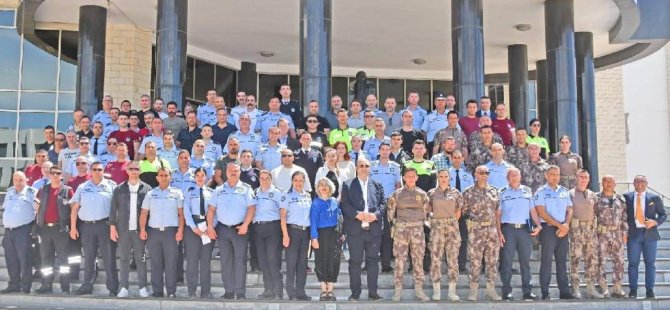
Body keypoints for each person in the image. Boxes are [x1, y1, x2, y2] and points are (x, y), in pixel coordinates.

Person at [206, 163, 256, 300]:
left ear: (240, 172)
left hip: (240, 229)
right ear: (226, 173)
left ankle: (240, 292)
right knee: (226, 261)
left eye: (236, 170)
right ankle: (228, 291)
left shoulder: (246, 189)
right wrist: (210, 226)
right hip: (222, 229)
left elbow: (252, 208)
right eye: (231, 170)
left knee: (240, 261)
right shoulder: (219, 189)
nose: (233, 172)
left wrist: (246, 225)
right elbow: (211, 209)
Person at [69, 162, 118, 296]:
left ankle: (113, 288)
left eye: (99, 169)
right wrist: (73, 227)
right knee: (89, 258)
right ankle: (86, 286)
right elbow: (74, 208)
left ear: (103, 171)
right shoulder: (83, 187)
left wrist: (115, 226)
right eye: (94, 169)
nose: (97, 172)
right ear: (90, 171)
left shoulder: (112, 186)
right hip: (87, 226)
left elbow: (116, 208)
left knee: (109, 258)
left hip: (105, 225)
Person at [340, 157, 385, 301]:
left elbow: (384, 204)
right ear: (356, 168)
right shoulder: (347, 184)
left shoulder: (377, 185)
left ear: (370, 168)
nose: (364, 168)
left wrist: (376, 215)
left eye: (366, 165)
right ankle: (355, 293)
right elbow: (345, 204)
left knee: (372, 261)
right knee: (355, 262)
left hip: (373, 230)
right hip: (355, 231)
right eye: (361, 166)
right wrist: (357, 214)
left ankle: (373, 293)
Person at [139, 167, 185, 298]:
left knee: (171, 263)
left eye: (166, 175)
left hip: (171, 232)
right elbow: (144, 213)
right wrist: (142, 229)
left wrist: (180, 230)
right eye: (161, 175)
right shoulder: (151, 193)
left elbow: (181, 214)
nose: (163, 177)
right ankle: (157, 291)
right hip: (154, 232)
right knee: (155, 263)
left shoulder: (177, 193)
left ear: (170, 177)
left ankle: (171, 292)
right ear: (157, 178)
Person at [497, 167, 542, 301]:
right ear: (508, 178)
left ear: (520, 177)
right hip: (508, 230)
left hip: (524, 230)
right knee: (506, 262)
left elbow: (533, 211)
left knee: (525, 262)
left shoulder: (527, 191)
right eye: (512, 176)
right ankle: (507, 291)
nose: (515, 178)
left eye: (517, 175)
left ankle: (527, 291)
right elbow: (498, 214)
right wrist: (499, 232)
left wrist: (539, 225)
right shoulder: (502, 192)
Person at [387, 168, 430, 301]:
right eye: (408, 176)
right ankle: (398, 290)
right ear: (404, 178)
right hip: (401, 230)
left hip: (417, 230)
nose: (411, 178)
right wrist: (397, 224)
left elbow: (426, 213)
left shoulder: (422, 194)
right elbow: (390, 213)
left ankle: (419, 290)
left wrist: (417, 222)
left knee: (418, 260)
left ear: (417, 178)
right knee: (400, 260)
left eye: (413, 176)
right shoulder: (397, 194)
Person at [109, 161, 151, 298]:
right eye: (131, 168)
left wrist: (147, 229)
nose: (133, 171)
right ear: (127, 170)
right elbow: (113, 209)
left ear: (140, 171)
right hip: (123, 230)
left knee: (141, 259)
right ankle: (124, 288)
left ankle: (142, 287)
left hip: (140, 230)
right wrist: (112, 227)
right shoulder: (119, 189)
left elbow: (150, 211)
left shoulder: (147, 189)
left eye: (136, 169)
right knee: (124, 259)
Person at [462, 165, 502, 301]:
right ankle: (473, 290)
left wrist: (499, 231)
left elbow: (497, 213)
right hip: (476, 230)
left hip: (491, 230)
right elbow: (463, 212)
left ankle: (491, 290)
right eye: (481, 172)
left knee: (492, 261)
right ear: (475, 174)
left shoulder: (495, 191)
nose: (484, 175)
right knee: (475, 261)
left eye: (486, 172)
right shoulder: (468, 192)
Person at [535, 165, 575, 300]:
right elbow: (542, 213)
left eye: (557, 175)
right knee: (546, 261)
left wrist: (566, 225)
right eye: (552, 174)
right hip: (548, 230)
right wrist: (560, 225)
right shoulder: (541, 191)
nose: (555, 177)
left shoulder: (564, 191)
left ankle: (564, 292)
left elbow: (570, 210)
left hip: (563, 230)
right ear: (546, 176)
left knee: (562, 262)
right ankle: (545, 292)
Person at [625, 175, 666, 299]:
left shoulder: (654, 198)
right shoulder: (626, 197)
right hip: (633, 235)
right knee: (633, 263)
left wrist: (655, 222)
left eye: (642, 181)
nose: (640, 184)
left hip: (650, 235)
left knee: (650, 264)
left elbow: (663, 215)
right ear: (633, 183)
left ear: (646, 183)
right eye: (637, 181)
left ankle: (650, 290)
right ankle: (633, 290)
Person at [34, 165, 74, 295]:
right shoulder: (43, 190)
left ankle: (65, 287)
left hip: (60, 229)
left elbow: (73, 209)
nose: (55, 175)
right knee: (45, 258)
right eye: (53, 173)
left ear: (61, 175)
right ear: (49, 175)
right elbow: (37, 208)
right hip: (45, 229)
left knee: (63, 260)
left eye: (58, 173)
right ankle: (46, 285)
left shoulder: (67, 190)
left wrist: (72, 227)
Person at [427, 169, 464, 301]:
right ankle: (436, 291)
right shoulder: (431, 193)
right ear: (437, 178)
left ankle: (451, 291)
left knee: (453, 259)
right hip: (437, 227)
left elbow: (459, 210)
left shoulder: (455, 193)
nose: (443, 178)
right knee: (436, 259)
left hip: (452, 227)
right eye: (441, 176)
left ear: (449, 178)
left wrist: (451, 221)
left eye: (445, 176)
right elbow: (428, 210)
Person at [567, 169, 604, 299]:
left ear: (589, 180)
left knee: (592, 260)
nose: (583, 179)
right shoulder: (570, 194)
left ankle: (590, 288)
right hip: (576, 231)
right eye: (581, 177)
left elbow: (598, 212)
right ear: (576, 178)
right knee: (575, 259)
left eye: (585, 177)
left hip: (591, 231)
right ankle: (575, 288)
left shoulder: (593, 195)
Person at [0, 172, 36, 294]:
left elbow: (38, 209)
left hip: (23, 230)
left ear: (26, 180)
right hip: (9, 231)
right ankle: (14, 284)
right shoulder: (10, 191)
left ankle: (26, 286)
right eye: (16, 180)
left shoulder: (31, 192)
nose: (18, 182)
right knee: (11, 259)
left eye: (21, 180)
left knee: (25, 259)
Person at [182, 168, 215, 299]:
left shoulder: (212, 193)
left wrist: (211, 227)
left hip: (208, 227)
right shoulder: (189, 192)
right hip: (193, 229)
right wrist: (194, 227)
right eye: (198, 175)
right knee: (192, 261)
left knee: (206, 261)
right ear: (194, 177)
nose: (200, 177)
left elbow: (215, 211)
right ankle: (192, 291)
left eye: (203, 175)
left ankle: (206, 291)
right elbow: (186, 211)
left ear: (206, 177)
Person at [279, 171, 313, 301]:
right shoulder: (286, 196)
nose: (298, 183)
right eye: (296, 180)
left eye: (301, 180)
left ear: (304, 182)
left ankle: (301, 292)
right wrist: (285, 235)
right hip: (292, 232)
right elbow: (282, 217)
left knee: (302, 263)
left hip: (305, 233)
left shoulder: (308, 196)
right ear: (292, 181)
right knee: (291, 263)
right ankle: (291, 292)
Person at [369, 143, 402, 273]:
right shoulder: (371, 166)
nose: (385, 152)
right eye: (382, 149)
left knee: (387, 235)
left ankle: (386, 264)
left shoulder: (396, 167)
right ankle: (370, 263)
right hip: (374, 203)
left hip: (390, 202)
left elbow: (398, 186)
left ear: (390, 151)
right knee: (372, 234)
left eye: (387, 149)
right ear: (379, 150)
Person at [310, 178, 344, 302]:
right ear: (318, 188)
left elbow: (340, 218)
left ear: (330, 188)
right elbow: (313, 221)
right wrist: (314, 238)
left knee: (334, 261)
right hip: (321, 235)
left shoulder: (335, 201)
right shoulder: (315, 203)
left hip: (335, 235)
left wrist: (342, 233)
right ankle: (323, 291)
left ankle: (331, 290)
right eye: (321, 185)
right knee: (321, 261)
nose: (324, 187)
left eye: (326, 185)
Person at [595, 175, 628, 298]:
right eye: (606, 181)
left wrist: (625, 233)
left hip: (617, 235)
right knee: (600, 262)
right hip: (601, 234)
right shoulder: (596, 198)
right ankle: (603, 288)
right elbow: (592, 216)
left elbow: (624, 218)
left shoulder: (620, 199)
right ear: (602, 183)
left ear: (615, 184)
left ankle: (617, 288)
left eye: (611, 181)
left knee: (619, 262)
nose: (609, 184)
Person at [253, 171, 284, 300]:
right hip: (258, 228)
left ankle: (278, 290)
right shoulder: (254, 192)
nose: (264, 181)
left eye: (267, 178)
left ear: (271, 179)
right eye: (262, 178)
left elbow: (283, 212)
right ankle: (268, 289)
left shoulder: (277, 192)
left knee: (272, 259)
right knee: (263, 260)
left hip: (273, 228)